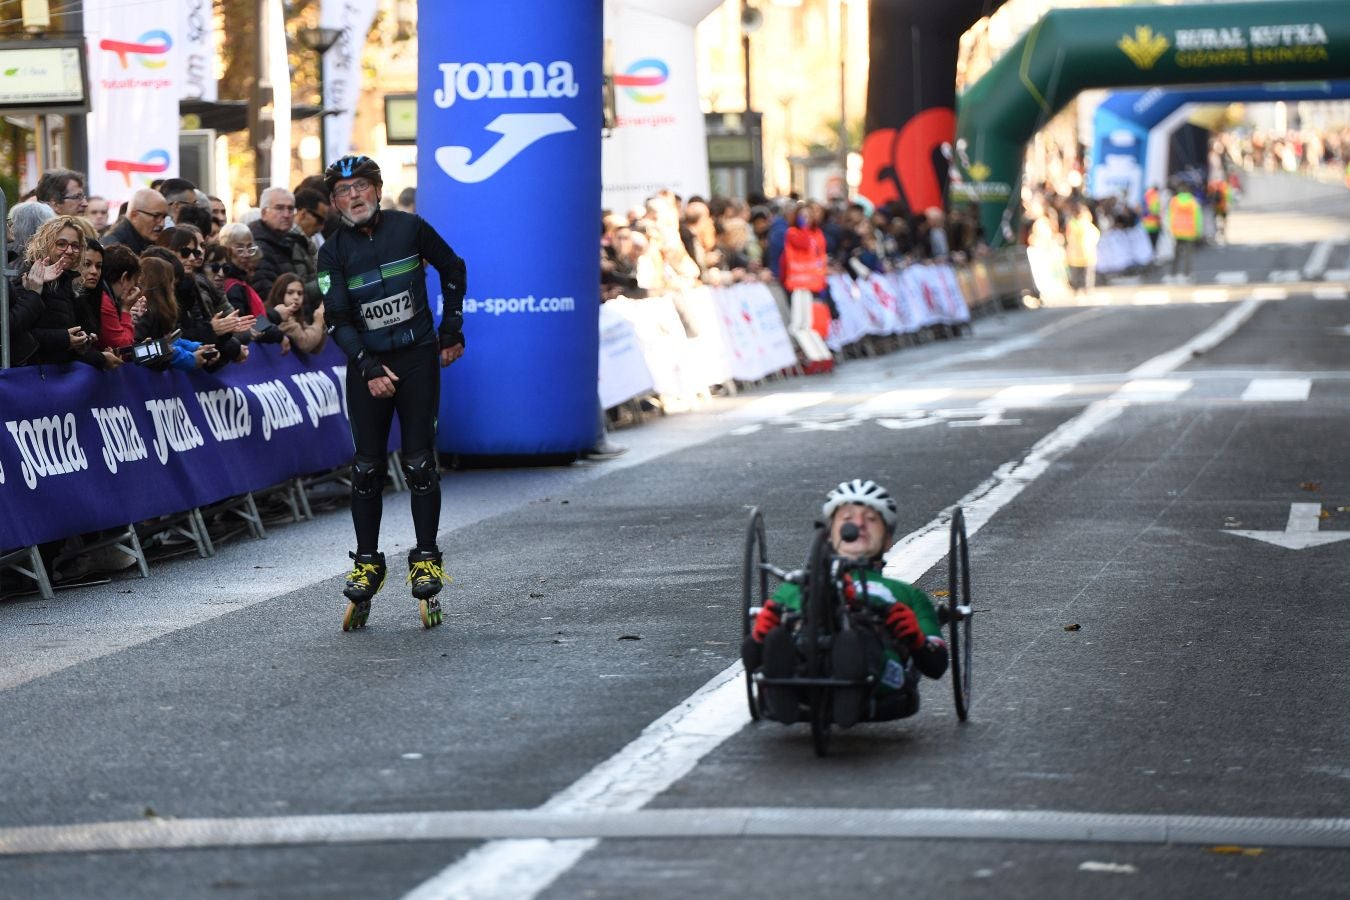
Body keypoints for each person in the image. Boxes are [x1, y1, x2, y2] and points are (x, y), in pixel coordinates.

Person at [317, 154, 466, 631]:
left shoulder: (410, 227)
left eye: (361, 186)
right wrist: (367, 366)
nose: (354, 196)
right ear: (335, 202)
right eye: (343, 192)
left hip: (417, 357)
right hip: (368, 364)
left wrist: (451, 328)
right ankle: (367, 562)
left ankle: (426, 558)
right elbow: (338, 318)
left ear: (378, 190)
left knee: (420, 463)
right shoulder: (332, 251)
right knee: (365, 470)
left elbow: (453, 267)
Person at [741, 479, 948, 728]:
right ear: (830, 534)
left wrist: (916, 639)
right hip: (805, 657)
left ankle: (849, 691)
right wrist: (760, 635)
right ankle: (783, 688)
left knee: (856, 640)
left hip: (877, 669)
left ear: (887, 540)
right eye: (847, 518)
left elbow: (937, 665)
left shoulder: (906, 594)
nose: (858, 524)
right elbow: (750, 659)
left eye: (871, 519)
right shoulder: (794, 587)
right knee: (778, 637)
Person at [250, 186, 318, 307]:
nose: (286, 215)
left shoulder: (289, 242)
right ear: (264, 213)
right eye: (279, 208)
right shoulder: (259, 248)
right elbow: (271, 298)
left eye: (290, 209)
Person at [265, 272, 326, 354]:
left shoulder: (296, 316)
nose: (296, 297)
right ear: (279, 293)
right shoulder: (276, 316)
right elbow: (305, 343)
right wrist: (318, 322)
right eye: (290, 292)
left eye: (300, 293)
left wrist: (322, 321)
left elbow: (315, 347)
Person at [102, 188, 168, 254]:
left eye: (164, 217)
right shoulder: (113, 248)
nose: (162, 224)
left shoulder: (150, 241)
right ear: (134, 216)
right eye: (156, 216)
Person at [1167, 181, 1204, 282]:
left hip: (1177, 231)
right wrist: (1198, 231)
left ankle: (1173, 273)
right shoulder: (1192, 201)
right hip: (1189, 231)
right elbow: (1198, 217)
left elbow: (1169, 216)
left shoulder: (1174, 201)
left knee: (1176, 254)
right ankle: (1187, 274)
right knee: (1188, 254)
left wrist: (1170, 229)